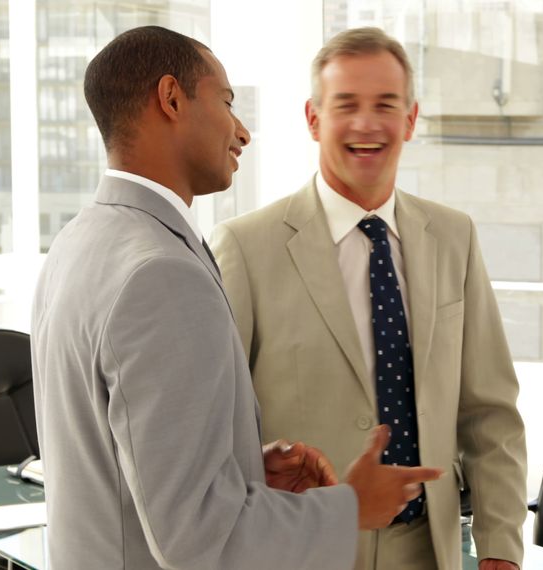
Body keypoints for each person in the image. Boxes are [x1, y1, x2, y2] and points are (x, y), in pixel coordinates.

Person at [31, 25, 441, 570]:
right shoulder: (161, 274)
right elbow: (198, 537)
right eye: (226, 101)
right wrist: (349, 506)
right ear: (171, 98)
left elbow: (120, 465)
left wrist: (243, 470)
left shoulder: (80, 242)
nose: (242, 131)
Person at [210, 27, 527, 570]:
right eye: (346, 105)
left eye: (385, 104)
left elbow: (489, 414)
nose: (366, 123)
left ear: (410, 118)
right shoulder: (244, 246)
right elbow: (214, 426)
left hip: (431, 549)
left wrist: (501, 548)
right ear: (313, 118)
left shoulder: (454, 237)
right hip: (300, 551)